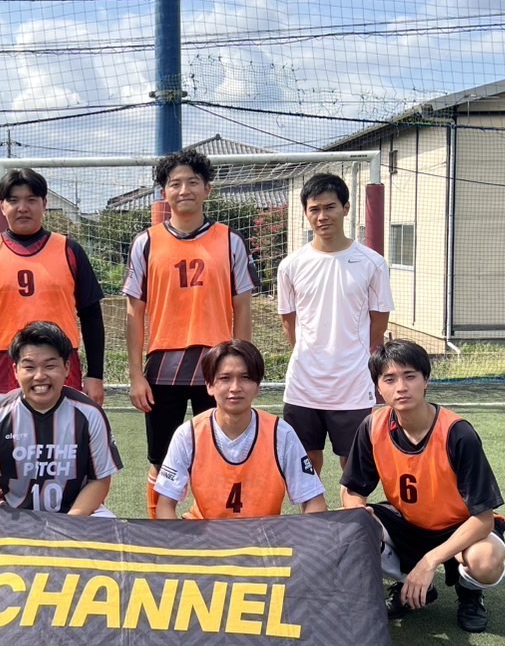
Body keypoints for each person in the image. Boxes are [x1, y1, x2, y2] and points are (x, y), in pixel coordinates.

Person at [124, 147, 259, 519]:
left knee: (218, 453)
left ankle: (213, 530)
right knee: (161, 460)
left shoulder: (229, 240)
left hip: (216, 368)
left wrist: (243, 367)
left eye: (192, 182)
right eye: (175, 184)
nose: (184, 190)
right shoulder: (146, 242)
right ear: (163, 193)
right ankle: (161, 536)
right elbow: (134, 313)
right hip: (162, 369)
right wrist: (136, 375)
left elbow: (243, 307)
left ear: (207, 189)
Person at [339, 339, 505, 633]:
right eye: (389, 379)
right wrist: (357, 513)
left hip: (461, 528)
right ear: (378, 387)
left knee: (485, 560)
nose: (401, 387)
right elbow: (353, 490)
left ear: (426, 380)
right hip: (408, 524)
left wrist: (430, 560)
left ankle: (470, 592)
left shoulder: (457, 433)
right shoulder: (372, 426)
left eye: (410, 376)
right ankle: (412, 586)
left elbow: (483, 518)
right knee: (354, 529)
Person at [0, 167, 106, 420]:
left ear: (44, 204)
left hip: (60, 364)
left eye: (31, 200)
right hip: (0, 366)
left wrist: (95, 375)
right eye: (13, 200)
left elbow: (91, 315)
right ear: (2, 206)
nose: (22, 208)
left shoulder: (69, 250)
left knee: (63, 441)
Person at [277, 171, 393, 473]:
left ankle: (350, 508)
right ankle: (311, 508)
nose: (322, 216)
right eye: (314, 209)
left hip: (352, 383)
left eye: (330, 207)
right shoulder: (290, 265)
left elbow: (379, 322)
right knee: (304, 463)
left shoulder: (372, 262)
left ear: (346, 208)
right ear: (306, 213)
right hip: (303, 384)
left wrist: (351, 352)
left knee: (353, 465)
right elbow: (289, 322)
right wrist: (311, 353)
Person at [153, 339, 326, 520]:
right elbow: (165, 505)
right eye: (225, 378)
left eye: (245, 377)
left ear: (258, 386)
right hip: (204, 533)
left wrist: (308, 535)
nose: (235, 388)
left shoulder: (281, 434)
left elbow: (314, 500)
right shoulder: (188, 434)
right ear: (210, 385)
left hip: (263, 534)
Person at [0, 321, 123, 516]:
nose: (39, 376)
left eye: (50, 366)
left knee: (109, 530)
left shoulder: (90, 414)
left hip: (78, 516)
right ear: (15, 371)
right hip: (16, 517)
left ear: (66, 367)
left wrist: (68, 523)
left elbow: (100, 480)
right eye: (29, 367)